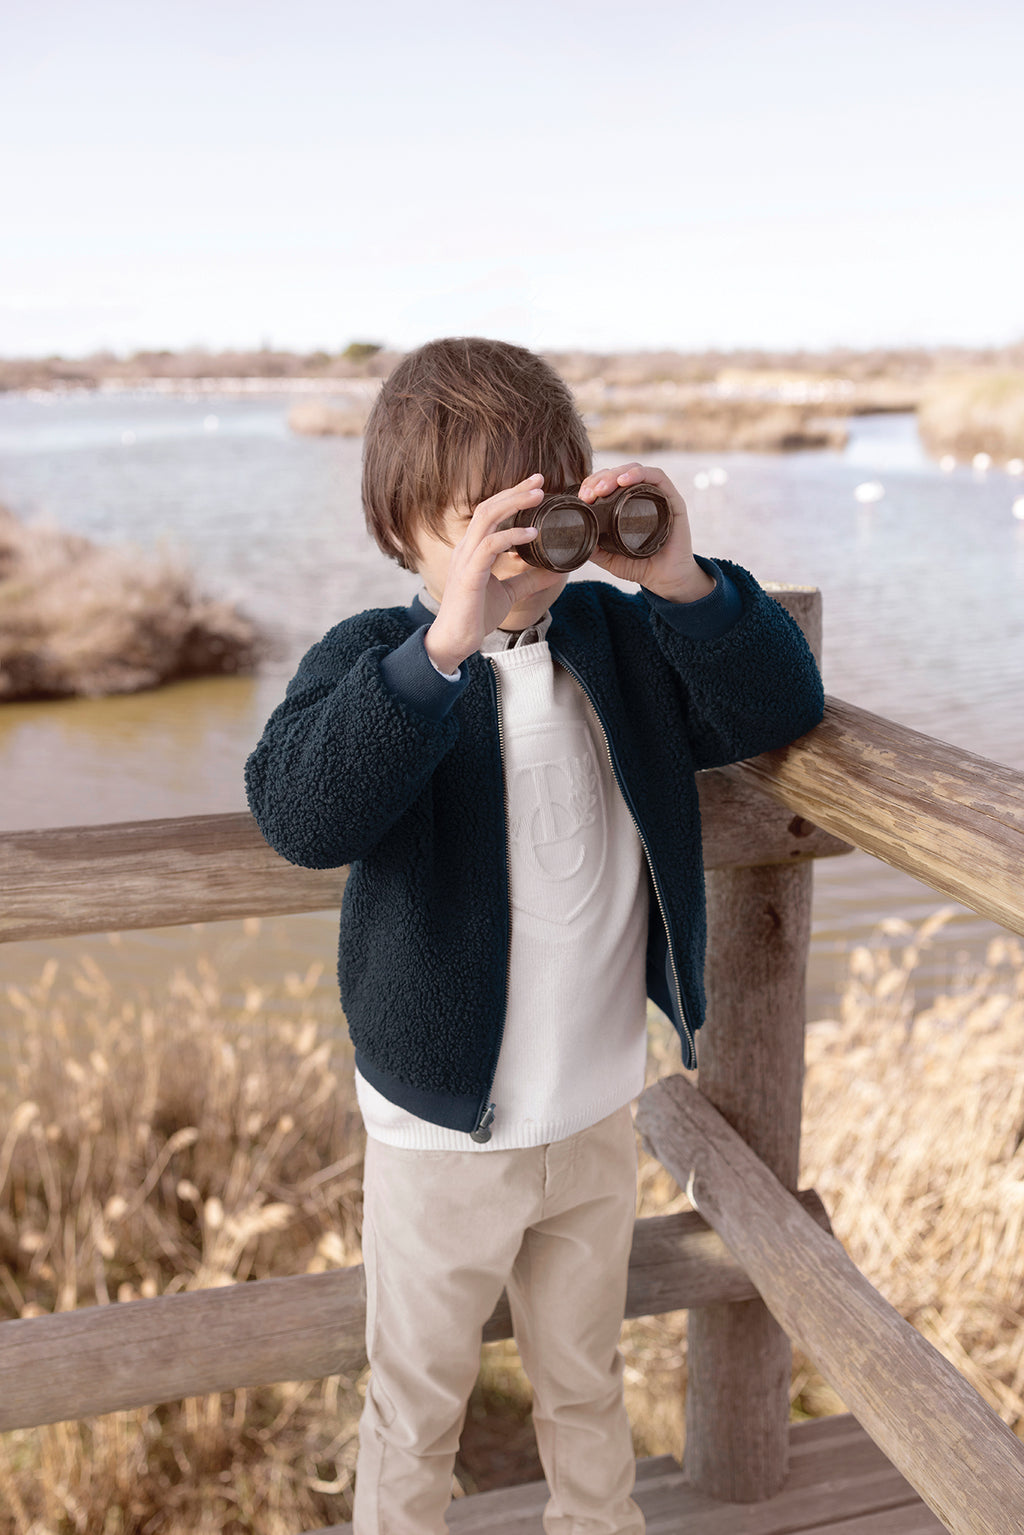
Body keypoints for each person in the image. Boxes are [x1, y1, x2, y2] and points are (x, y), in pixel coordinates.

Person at [244, 336, 824, 1534]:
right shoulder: (376, 662)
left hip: (595, 1107)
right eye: (481, 528)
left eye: (539, 517)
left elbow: (779, 704)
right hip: (442, 1132)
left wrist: (678, 577)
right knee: (416, 1405)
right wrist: (442, 644)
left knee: (585, 1382)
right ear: (404, 528)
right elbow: (301, 813)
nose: (517, 556)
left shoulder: (616, 644)